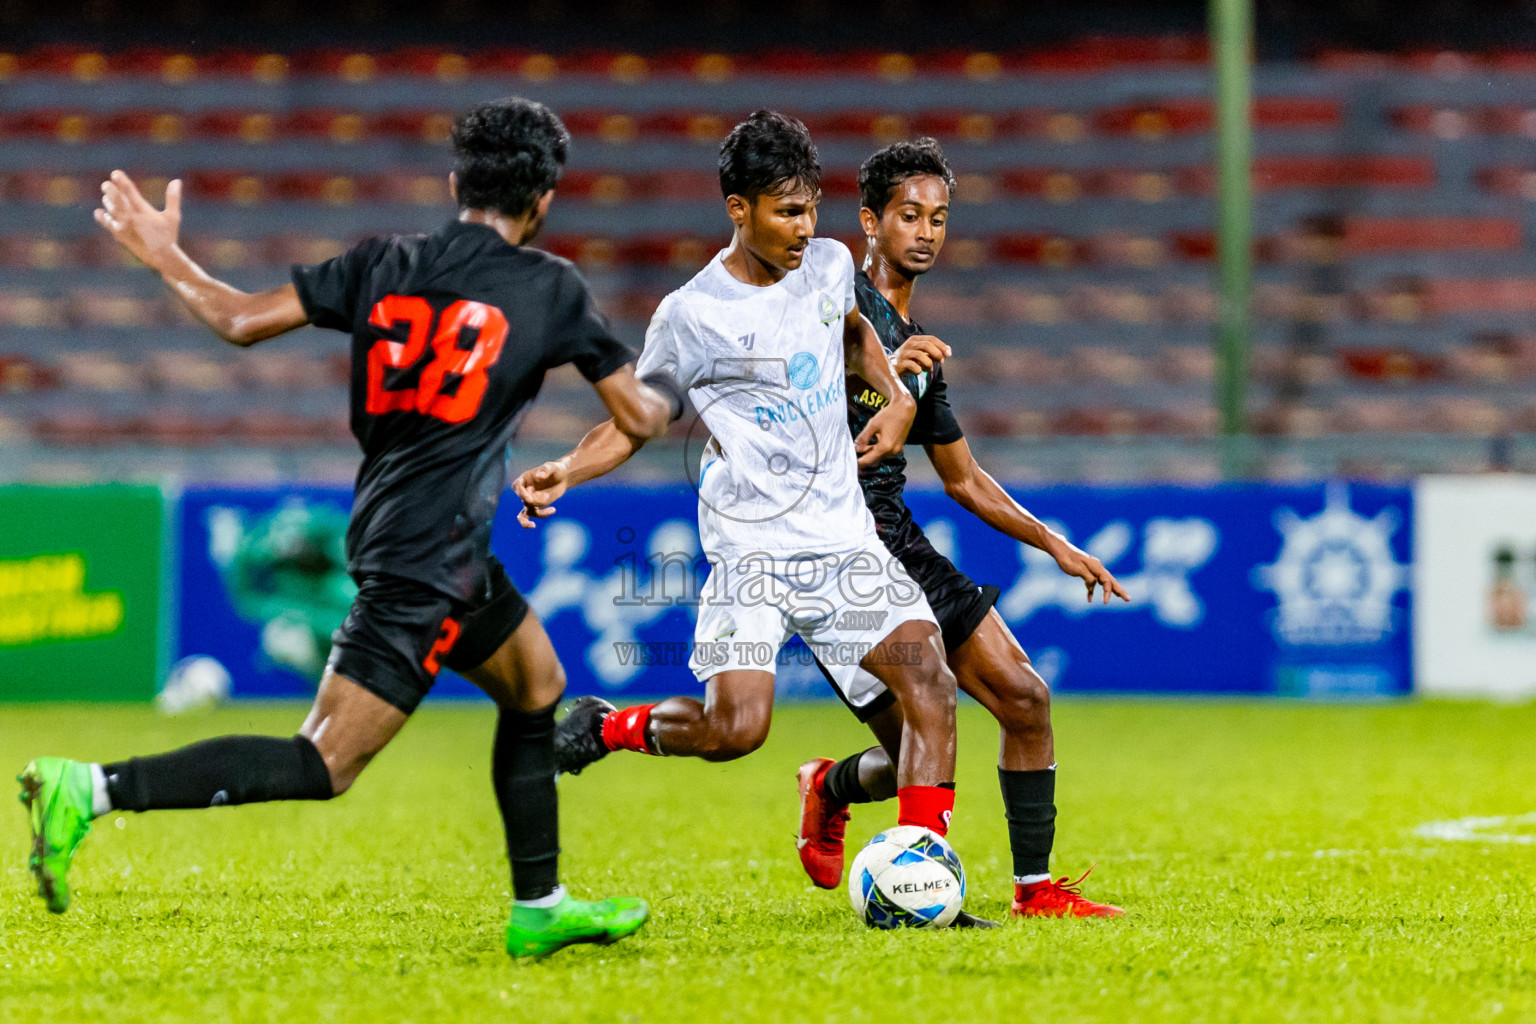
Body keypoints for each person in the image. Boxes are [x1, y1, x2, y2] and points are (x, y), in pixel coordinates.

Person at [18, 97, 681, 958]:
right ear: (545, 198)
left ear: (456, 184)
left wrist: (164, 251)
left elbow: (238, 320)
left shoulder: (384, 262)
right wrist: (684, 377)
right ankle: (92, 790)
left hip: (413, 534)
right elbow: (640, 415)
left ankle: (540, 902)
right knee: (325, 761)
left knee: (534, 682)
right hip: (427, 557)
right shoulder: (550, 287)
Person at [513, 112, 971, 870]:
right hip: (754, 552)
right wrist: (567, 467)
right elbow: (635, 423)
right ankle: (607, 727)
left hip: (844, 545)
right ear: (739, 210)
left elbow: (854, 333)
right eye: (788, 212)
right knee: (735, 732)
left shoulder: (826, 266)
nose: (806, 227)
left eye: (811, 208)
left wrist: (895, 396)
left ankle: (925, 880)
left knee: (933, 695)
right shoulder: (692, 315)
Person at [793, 138, 1129, 918]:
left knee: (1024, 700)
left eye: (939, 218)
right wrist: (877, 363)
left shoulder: (924, 355)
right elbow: (789, 395)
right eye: (909, 215)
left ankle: (1034, 891)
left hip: (898, 537)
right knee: (911, 739)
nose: (926, 231)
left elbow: (965, 479)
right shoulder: (829, 308)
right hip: (836, 550)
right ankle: (836, 792)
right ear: (869, 223)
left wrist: (1055, 543)